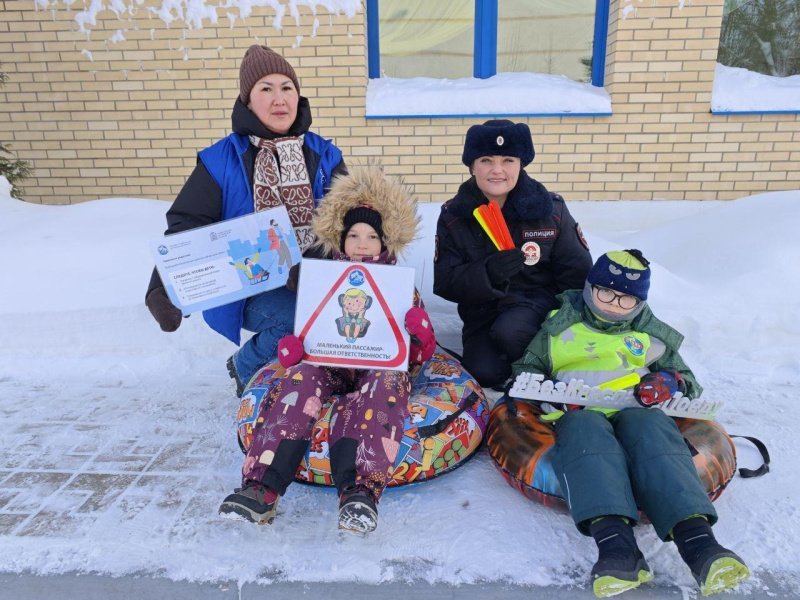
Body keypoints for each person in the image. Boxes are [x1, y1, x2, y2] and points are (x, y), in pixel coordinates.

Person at [511, 249, 750, 598]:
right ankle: (618, 551)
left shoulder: (651, 334)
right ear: (590, 288)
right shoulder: (558, 327)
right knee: (586, 439)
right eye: (605, 293)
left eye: (626, 299)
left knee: (655, 438)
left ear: (638, 302)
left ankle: (702, 547)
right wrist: (553, 393)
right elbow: (525, 370)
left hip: (636, 407)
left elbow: (687, 380)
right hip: (580, 410)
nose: (613, 304)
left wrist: (669, 382)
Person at [219, 165, 436, 534]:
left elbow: (416, 358)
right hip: (330, 362)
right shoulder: (323, 281)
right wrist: (293, 351)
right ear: (341, 238)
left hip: (378, 368)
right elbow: (310, 335)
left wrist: (420, 334)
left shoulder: (400, 287)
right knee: (300, 379)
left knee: (383, 389)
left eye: (372, 235)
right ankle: (261, 488)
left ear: (386, 242)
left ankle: (359, 493)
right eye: (354, 235)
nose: (363, 244)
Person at [144, 45, 347, 396]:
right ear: (248, 101)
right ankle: (245, 365)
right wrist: (162, 288)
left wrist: (321, 262)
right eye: (265, 89)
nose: (279, 98)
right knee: (297, 321)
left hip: (312, 278)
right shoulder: (220, 160)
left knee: (337, 321)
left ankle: (306, 384)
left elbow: (348, 222)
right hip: (245, 285)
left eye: (287, 87)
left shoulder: (324, 155)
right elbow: (187, 224)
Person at [433, 119, 592, 389]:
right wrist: (487, 273)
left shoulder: (550, 211)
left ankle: (547, 371)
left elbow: (577, 276)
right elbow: (446, 281)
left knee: (511, 330)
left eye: (508, 160)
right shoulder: (454, 215)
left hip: (538, 310)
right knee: (483, 373)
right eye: (485, 160)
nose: (497, 170)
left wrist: (569, 328)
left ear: (521, 164)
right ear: (472, 166)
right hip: (483, 314)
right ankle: (519, 371)